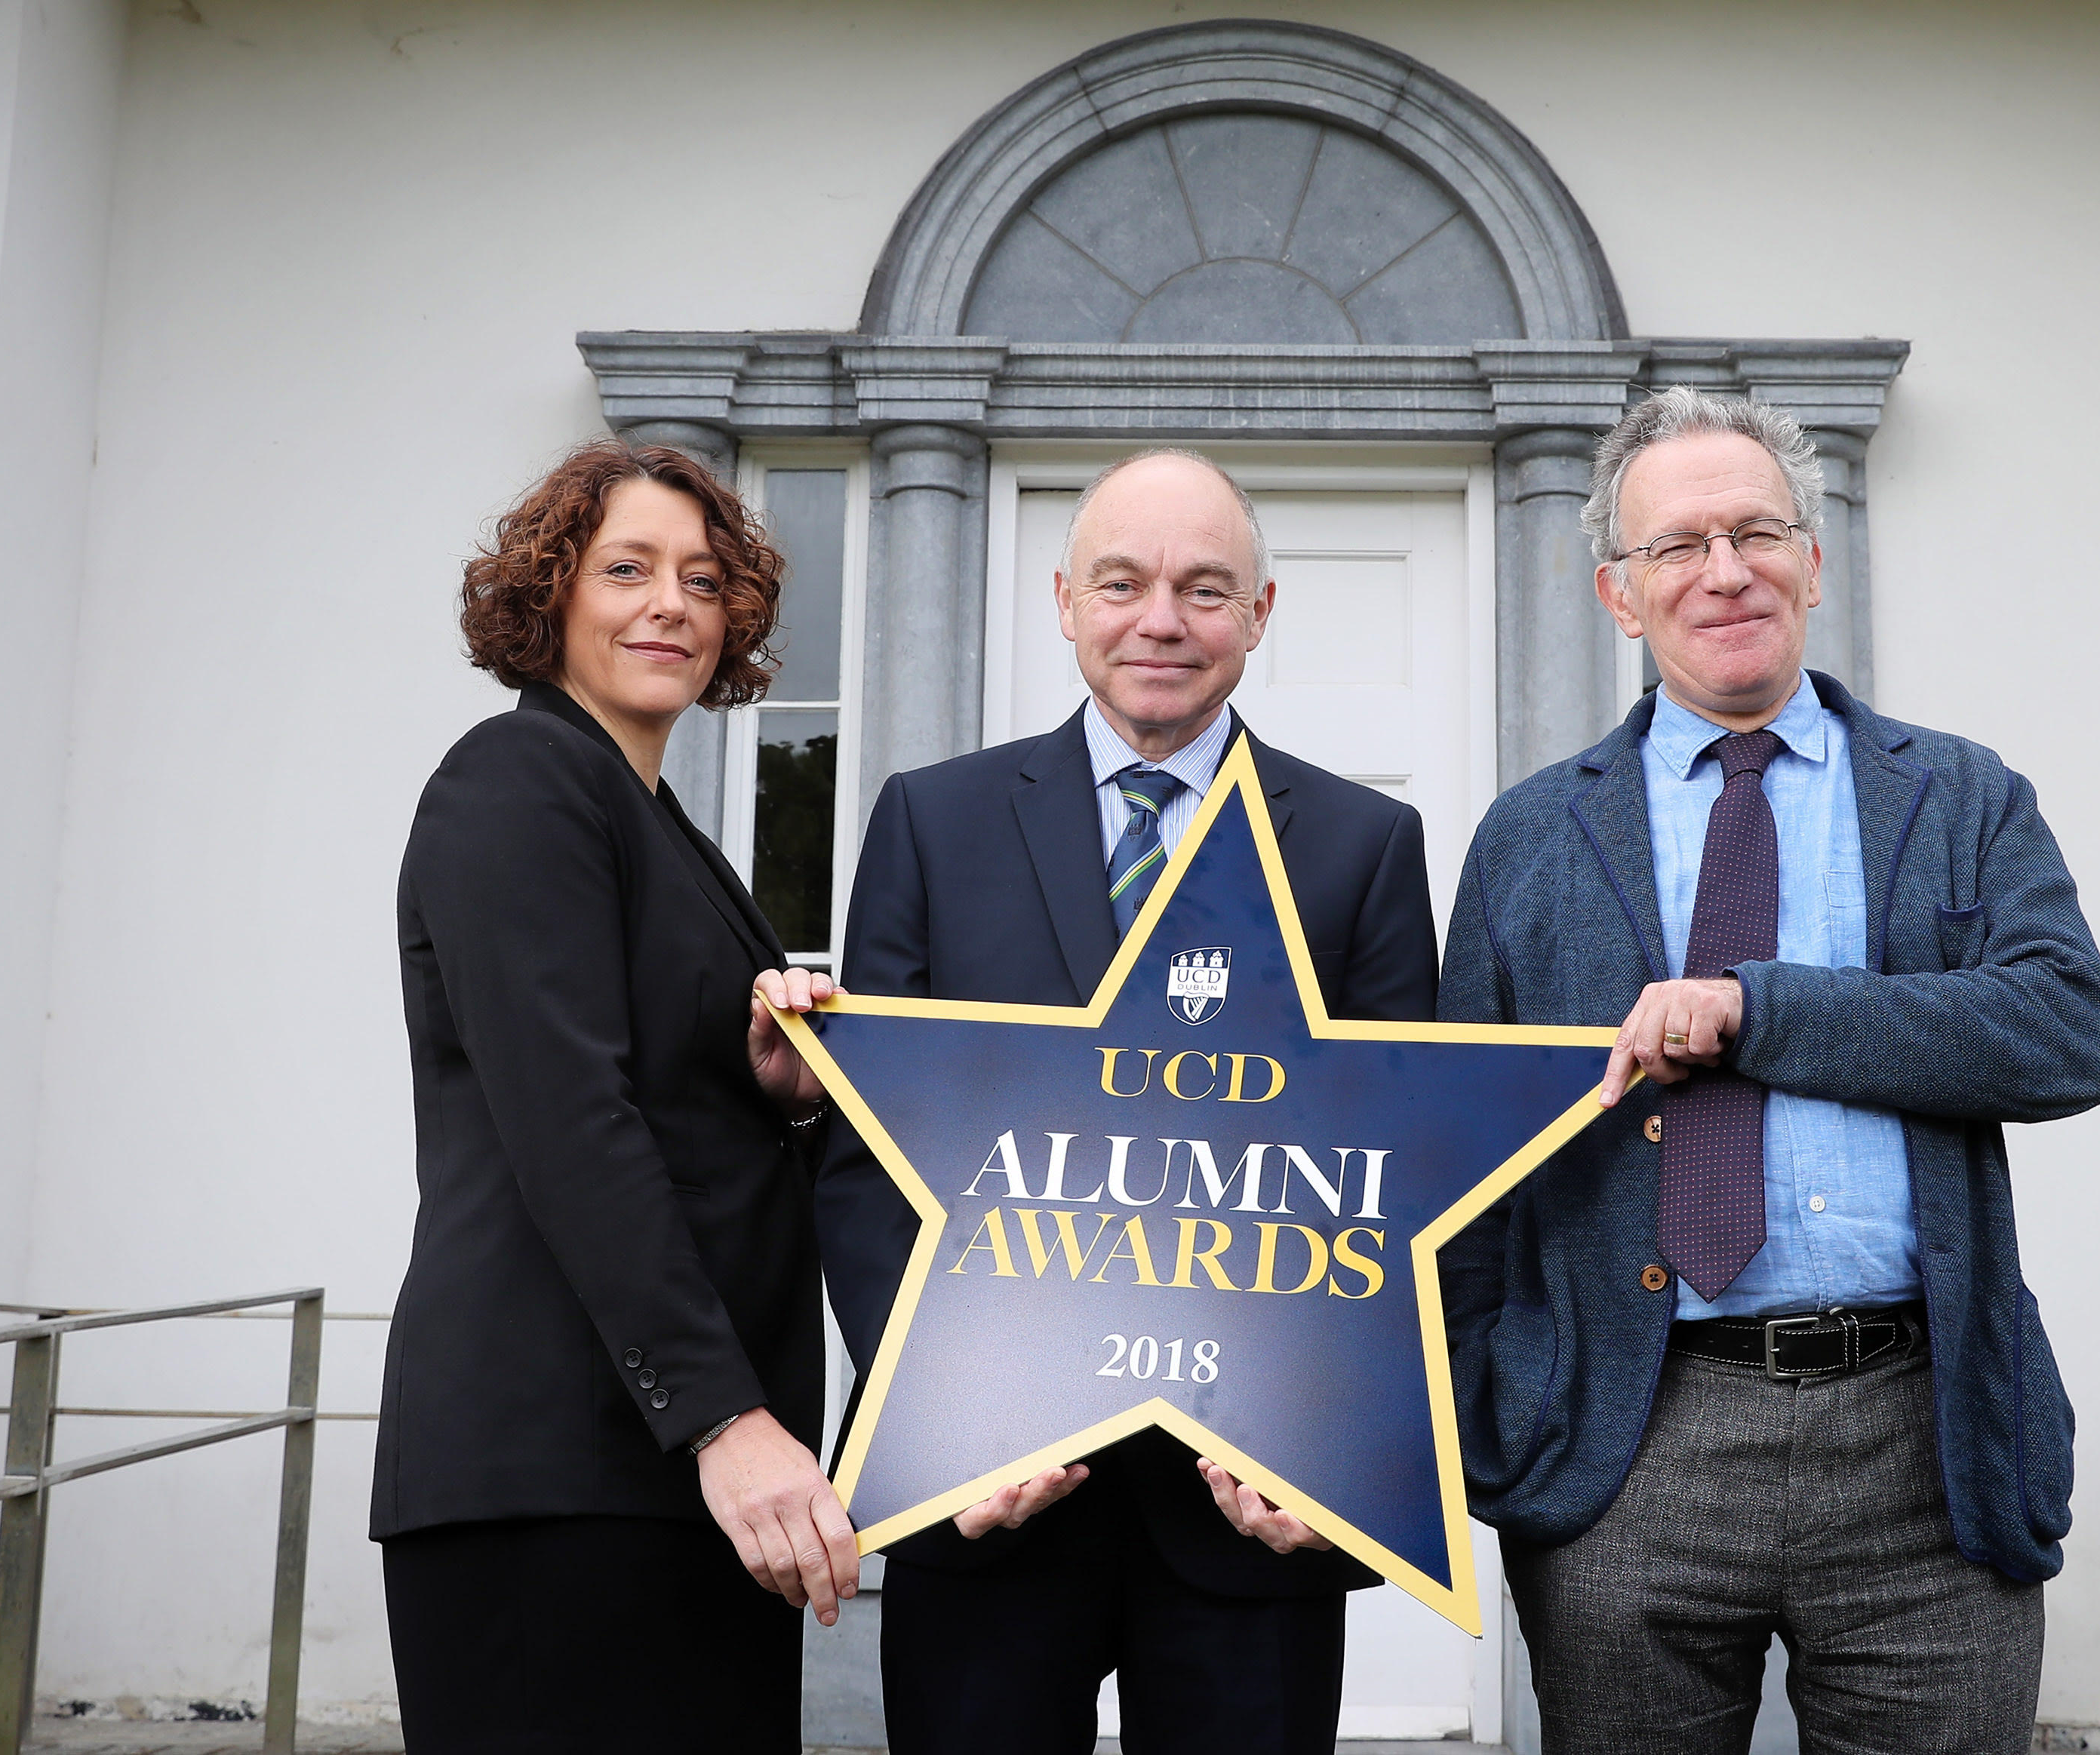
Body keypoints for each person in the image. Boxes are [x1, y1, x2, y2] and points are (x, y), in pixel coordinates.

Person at [1439, 389, 2100, 1753]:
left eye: (1758, 531)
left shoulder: (1962, 795)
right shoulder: (1528, 838)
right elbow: (1468, 1175)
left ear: (1812, 558)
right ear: (1618, 595)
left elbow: (2065, 1032)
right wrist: (1472, 1425)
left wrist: (1760, 1010)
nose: (1726, 569)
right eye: (1679, 545)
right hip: (1628, 1447)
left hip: (1924, 1442)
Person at [790, 448, 1437, 1754]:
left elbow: (1396, 1166)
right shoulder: (931, 821)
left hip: (1247, 1511)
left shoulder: (1363, 846)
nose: (1162, 620)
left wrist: (1326, 1443)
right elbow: (868, 1162)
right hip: (991, 1496)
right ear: (1064, 598)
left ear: (1260, 613)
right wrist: (947, 1412)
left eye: (1206, 589)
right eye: (1124, 581)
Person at [377, 441, 860, 1753]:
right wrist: (723, 1415)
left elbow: (668, 1100)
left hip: (669, 1476)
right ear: (551, 596)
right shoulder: (516, 780)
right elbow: (570, 1118)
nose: (673, 605)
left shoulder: (660, 827)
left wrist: (784, 1095)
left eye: (705, 580)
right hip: (562, 1471)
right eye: (627, 568)